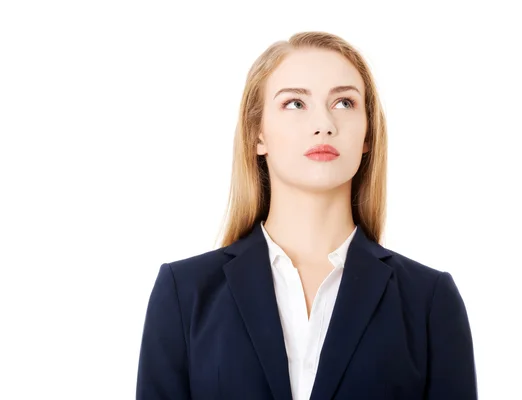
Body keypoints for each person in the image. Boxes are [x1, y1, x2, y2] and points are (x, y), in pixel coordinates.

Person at [136, 31, 478, 400]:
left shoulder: (428, 301)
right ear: (257, 135)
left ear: (367, 137)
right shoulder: (184, 293)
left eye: (344, 102)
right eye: (295, 104)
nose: (324, 124)